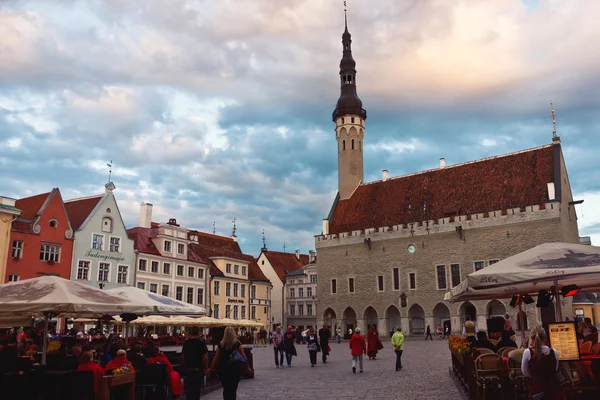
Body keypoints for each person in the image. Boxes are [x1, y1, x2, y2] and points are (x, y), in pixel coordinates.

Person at [205, 326, 250, 400]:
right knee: (233, 390)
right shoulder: (237, 344)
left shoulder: (221, 345)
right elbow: (243, 356)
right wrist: (247, 367)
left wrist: (211, 368)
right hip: (235, 370)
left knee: (226, 389)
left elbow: (216, 357)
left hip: (224, 370)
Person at [521, 326, 565, 400]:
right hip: (553, 388)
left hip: (537, 388)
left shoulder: (528, 352)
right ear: (545, 337)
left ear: (532, 338)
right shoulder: (554, 352)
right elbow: (556, 368)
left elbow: (524, 371)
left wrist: (534, 375)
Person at [181, 326, 209, 400]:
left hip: (188, 369)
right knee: (196, 391)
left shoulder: (186, 343)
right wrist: (206, 368)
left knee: (189, 391)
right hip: (198, 369)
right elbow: (205, 358)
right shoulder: (201, 343)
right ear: (199, 332)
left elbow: (183, 356)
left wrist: (185, 365)